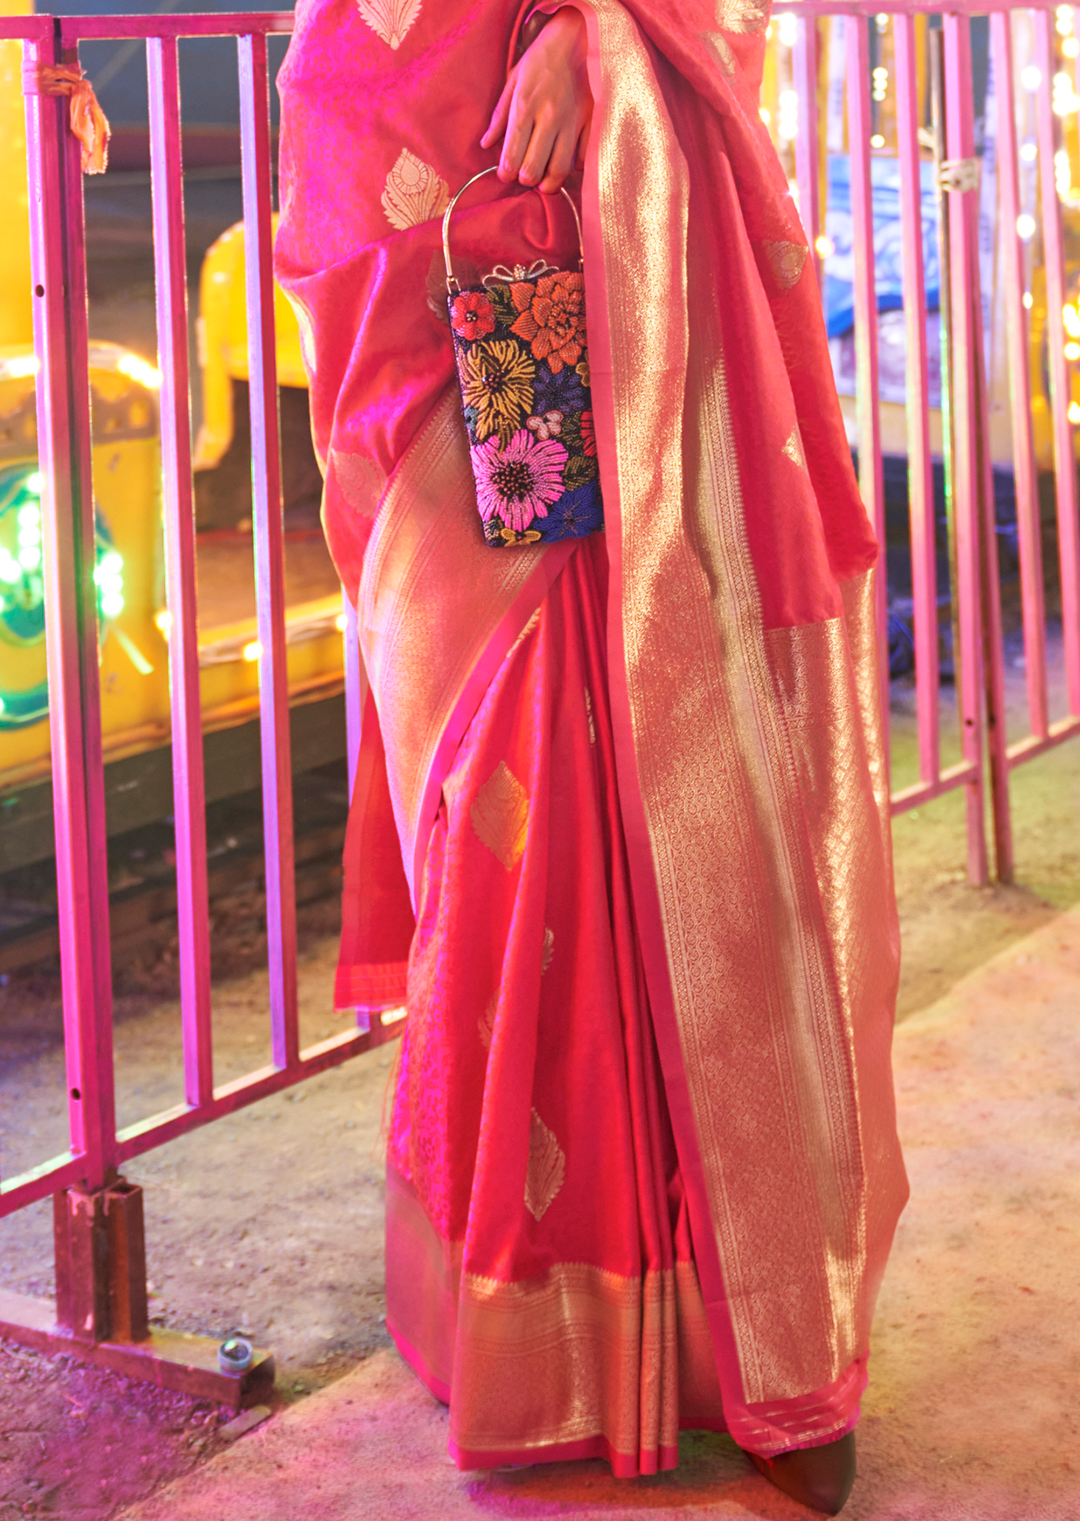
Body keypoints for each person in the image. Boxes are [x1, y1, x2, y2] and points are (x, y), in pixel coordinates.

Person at [275, 0, 909, 1512]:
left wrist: (596, 31)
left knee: (673, 762)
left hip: (585, 210)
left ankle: (752, 1327)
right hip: (395, 184)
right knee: (504, 797)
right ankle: (540, 1323)